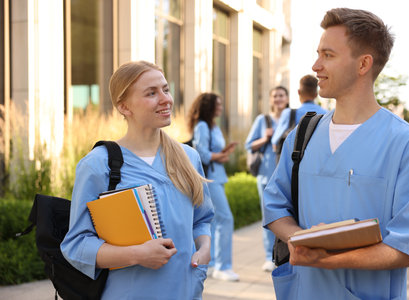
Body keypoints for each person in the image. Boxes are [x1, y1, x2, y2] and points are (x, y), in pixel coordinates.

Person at [263, 8, 409, 299]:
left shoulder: (406, 145)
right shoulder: (302, 136)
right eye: (318, 53)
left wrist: (324, 258)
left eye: (328, 55)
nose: (316, 65)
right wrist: (299, 241)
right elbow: (275, 206)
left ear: (363, 64)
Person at [61, 61, 214, 299]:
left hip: (186, 291)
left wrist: (204, 249)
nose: (165, 99)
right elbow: (77, 245)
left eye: (165, 89)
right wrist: (136, 255)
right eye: (151, 93)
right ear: (124, 107)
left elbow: (202, 220)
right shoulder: (98, 165)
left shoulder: (188, 157)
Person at [187, 92, 240, 281]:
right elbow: (201, 153)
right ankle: (223, 266)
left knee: (217, 221)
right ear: (210, 107)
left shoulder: (213, 126)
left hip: (218, 176)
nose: (221, 107)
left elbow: (213, 153)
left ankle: (212, 263)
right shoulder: (201, 126)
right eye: (218, 104)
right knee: (225, 218)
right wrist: (219, 156)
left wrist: (223, 153)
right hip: (209, 179)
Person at [244, 86, 289, 272]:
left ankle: (286, 253)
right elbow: (249, 145)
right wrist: (265, 138)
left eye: (281, 95)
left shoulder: (292, 118)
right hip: (266, 176)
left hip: (286, 176)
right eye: (275, 96)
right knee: (268, 217)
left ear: (287, 98)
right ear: (270, 100)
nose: (278, 99)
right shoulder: (262, 120)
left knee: (287, 216)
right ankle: (268, 256)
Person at [271, 75, 327, 156]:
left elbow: (275, 141)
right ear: (316, 94)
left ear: (299, 92)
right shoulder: (327, 114)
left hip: (295, 164)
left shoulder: (289, 113)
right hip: (318, 161)